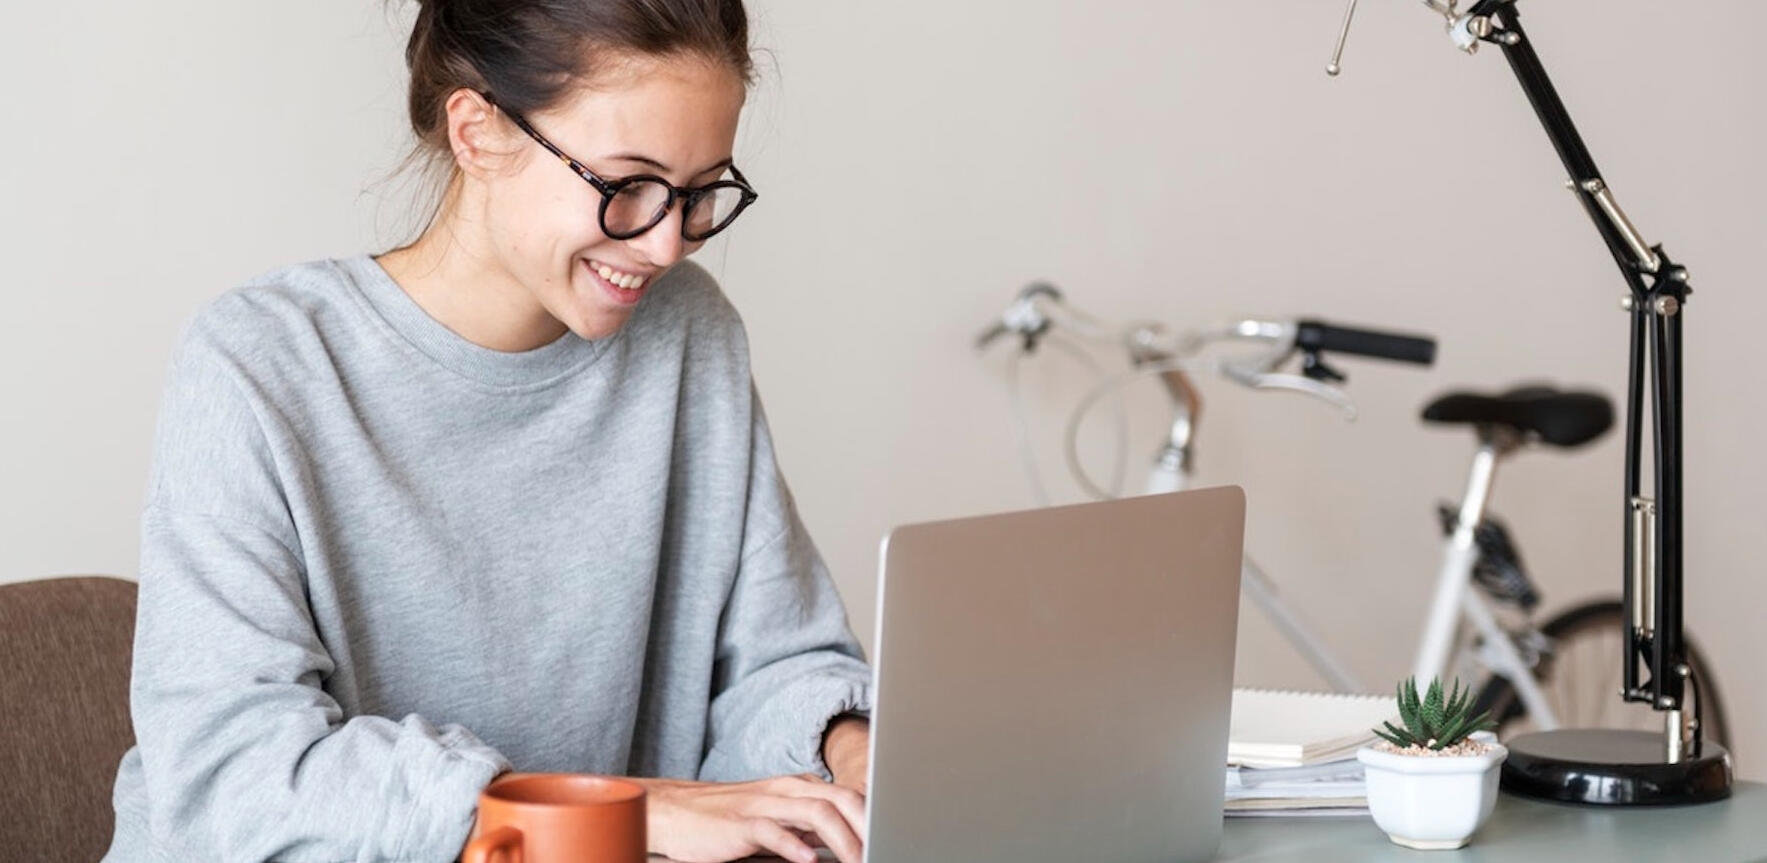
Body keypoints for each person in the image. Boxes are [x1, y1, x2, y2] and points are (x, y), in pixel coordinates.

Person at [102, 2, 873, 861]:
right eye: (629, 187)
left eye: (699, 194)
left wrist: (852, 749)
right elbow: (235, 778)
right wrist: (619, 811)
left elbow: (774, 663)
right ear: (477, 131)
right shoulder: (261, 362)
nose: (666, 244)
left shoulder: (689, 335)